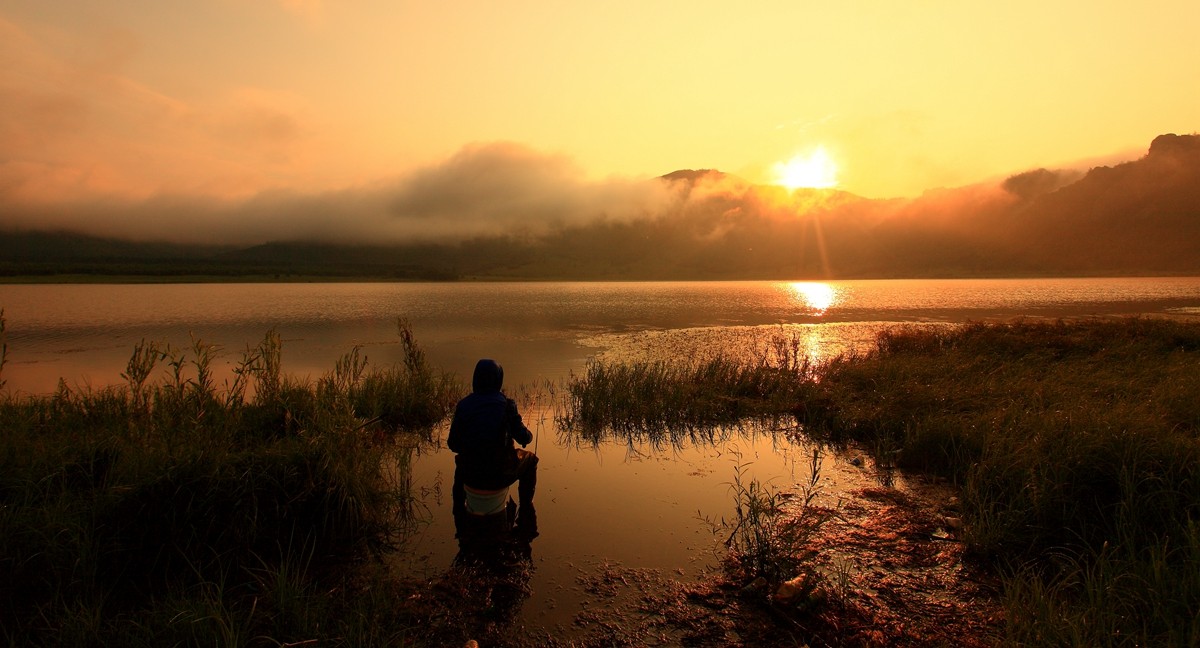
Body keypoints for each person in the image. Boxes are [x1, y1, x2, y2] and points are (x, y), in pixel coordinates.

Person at [448, 359, 538, 540]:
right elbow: (523, 438)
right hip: (500, 473)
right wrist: (528, 436)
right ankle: (526, 508)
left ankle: (458, 509)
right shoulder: (507, 405)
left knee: (461, 462)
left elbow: (453, 445)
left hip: (470, 473)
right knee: (531, 460)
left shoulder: (463, 406)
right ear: (498, 380)